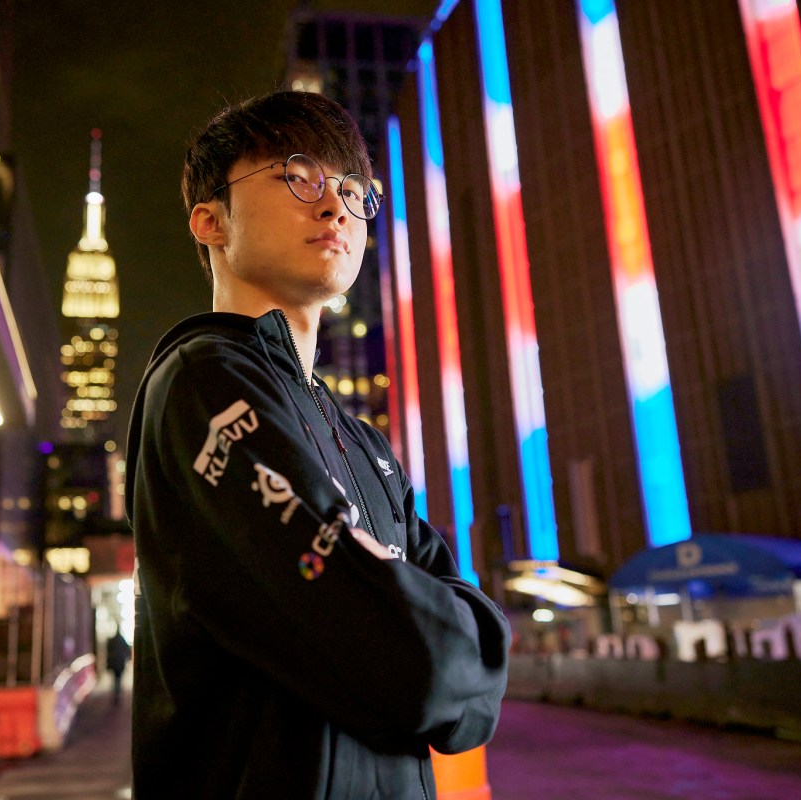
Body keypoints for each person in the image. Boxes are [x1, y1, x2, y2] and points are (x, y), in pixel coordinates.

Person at [125, 90, 510, 799]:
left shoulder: (365, 444)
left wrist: (442, 639)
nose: (334, 206)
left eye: (353, 189)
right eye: (296, 175)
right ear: (211, 221)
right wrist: (425, 627)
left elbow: (473, 670)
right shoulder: (202, 382)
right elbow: (415, 663)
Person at [105, 625, 131, 703]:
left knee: (115, 677)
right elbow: (127, 650)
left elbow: (108, 650)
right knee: (118, 678)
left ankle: (116, 692)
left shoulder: (112, 640)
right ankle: (117, 692)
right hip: (120, 662)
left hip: (114, 662)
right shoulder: (122, 640)